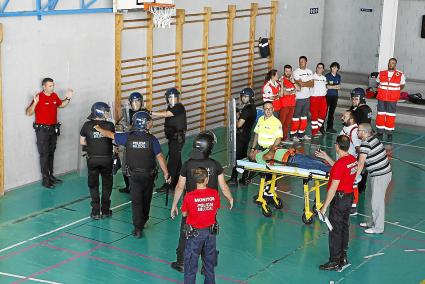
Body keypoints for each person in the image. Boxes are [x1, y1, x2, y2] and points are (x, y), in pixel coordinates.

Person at [95, 111, 170, 238]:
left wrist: (98, 128)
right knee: (146, 199)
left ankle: (137, 228)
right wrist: (166, 173)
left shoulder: (127, 137)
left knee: (136, 201)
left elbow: (110, 135)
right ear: (144, 124)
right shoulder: (152, 139)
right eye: (149, 122)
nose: (151, 123)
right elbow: (160, 156)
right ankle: (144, 220)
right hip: (149, 176)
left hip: (133, 176)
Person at [170, 131, 234, 273]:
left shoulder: (187, 164)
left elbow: (180, 186)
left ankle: (182, 262)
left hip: (191, 208)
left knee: (185, 233)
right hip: (209, 206)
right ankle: (207, 266)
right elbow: (223, 186)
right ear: (209, 147)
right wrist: (229, 198)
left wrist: (174, 205)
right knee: (209, 235)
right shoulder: (215, 165)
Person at [315, 135, 357, 271]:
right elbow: (340, 170)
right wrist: (327, 157)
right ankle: (343, 256)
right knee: (344, 227)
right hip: (349, 197)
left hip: (339, 199)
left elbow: (333, 188)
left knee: (334, 230)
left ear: (337, 146)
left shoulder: (340, 164)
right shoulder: (352, 160)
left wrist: (324, 207)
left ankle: (334, 260)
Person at [25, 77, 74, 189]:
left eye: (53, 85)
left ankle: (51, 176)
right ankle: (45, 180)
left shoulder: (54, 96)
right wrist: (35, 103)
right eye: (50, 86)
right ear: (44, 86)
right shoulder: (39, 97)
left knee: (51, 153)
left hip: (53, 130)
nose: (52, 87)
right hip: (42, 131)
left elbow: (61, 104)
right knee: (44, 154)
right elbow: (28, 113)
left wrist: (68, 98)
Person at [181, 167, 221, 284]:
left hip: (194, 235)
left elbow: (184, 213)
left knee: (190, 267)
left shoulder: (189, 196)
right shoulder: (214, 193)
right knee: (209, 266)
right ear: (206, 179)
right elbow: (216, 209)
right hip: (210, 234)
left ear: (195, 180)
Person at [80, 102, 115, 220]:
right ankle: (105, 211)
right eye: (105, 111)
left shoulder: (86, 125)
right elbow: (113, 140)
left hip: (92, 159)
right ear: (100, 112)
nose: (107, 113)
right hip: (107, 159)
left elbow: (82, 142)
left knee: (93, 185)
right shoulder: (110, 125)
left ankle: (95, 212)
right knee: (107, 185)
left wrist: (91, 142)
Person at [356, 123, 392, 234]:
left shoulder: (366, 144)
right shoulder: (373, 140)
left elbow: (361, 164)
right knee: (375, 199)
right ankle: (372, 222)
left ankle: (378, 228)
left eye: (359, 130)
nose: (357, 132)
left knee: (377, 201)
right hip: (380, 174)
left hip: (380, 175)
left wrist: (354, 177)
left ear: (365, 132)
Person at [151, 88, 187, 193]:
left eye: (174, 97)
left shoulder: (179, 107)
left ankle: (168, 185)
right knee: (177, 162)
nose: (172, 99)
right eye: (170, 97)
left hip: (177, 139)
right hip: (173, 139)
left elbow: (167, 114)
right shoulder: (172, 107)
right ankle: (179, 182)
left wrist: (151, 112)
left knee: (172, 163)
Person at [117, 92, 149, 194]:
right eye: (133, 101)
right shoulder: (127, 112)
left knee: (141, 165)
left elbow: (148, 127)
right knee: (125, 165)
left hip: (142, 142)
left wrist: (132, 128)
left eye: (137, 101)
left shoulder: (145, 113)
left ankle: (143, 185)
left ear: (141, 102)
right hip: (129, 141)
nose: (135, 104)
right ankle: (128, 187)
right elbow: (121, 125)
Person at [249, 101, 283, 196]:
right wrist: (253, 148)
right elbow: (256, 134)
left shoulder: (276, 122)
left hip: (269, 150)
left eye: (270, 109)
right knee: (263, 171)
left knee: (270, 171)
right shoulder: (260, 119)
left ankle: (271, 192)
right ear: (263, 110)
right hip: (260, 148)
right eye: (266, 109)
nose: (268, 110)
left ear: (273, 109)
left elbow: (278, 138)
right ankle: (264, 191)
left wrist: (271, 150)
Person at [227, 88, 257, 186]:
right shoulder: (252, 107)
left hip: (241, 136)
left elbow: (239, 124)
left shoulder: (247, 109)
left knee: (237, 158)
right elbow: (245, 118)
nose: (243, 98)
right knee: (243, 157)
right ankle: (244, 179)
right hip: (247, 135)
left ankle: (233, 179)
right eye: (243, 96)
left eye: (245, 97)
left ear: (250, 98)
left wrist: (235, 117)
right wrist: (239, 113)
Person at [375, 58, 406, 141]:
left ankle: (389, 133)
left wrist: (394, 91)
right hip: (381, 97)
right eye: (390, 63)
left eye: (393, 63)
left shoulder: (400, 74)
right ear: (388, 63)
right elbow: (377, 82)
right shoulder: (381, 73)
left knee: (390, 116)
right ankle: (380, 132)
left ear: (395, 64)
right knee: (380, 115)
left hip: (392, 99)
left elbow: (402, 85)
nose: (391, 64)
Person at [350, 88, 372, 195]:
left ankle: (356, 185)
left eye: (355, 98)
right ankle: (362, 186)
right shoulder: (368, 109)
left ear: (361, 99)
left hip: (359, 140)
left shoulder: (358, 110)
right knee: (364, 164)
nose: (353, 100)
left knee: (358, 163)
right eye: (352, 98)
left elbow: (352, 123)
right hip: (366, 138)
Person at [340, 110, 361, 216]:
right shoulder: (345, 128)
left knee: (353, 184)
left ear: (351, 120)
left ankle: (353, 206)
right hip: (343, 162)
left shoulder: (354, 131)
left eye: (345, 116)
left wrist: (359, 164)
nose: (342, 117)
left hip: (351, 163)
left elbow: (358, 149)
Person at [253, 146, 331, 173]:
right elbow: (268, 157)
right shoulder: (258, 157)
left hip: (293, 156)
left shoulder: (261, 154)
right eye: (252, 152)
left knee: (319, 162)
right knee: (318, 165)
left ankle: (337, 168)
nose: (254, 150)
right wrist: (273, 148)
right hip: (292, 160)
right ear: (253, 157)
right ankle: (338, 171)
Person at [291, 56, 314, 141]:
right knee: (296, 117)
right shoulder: (296, 72)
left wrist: (304, 83)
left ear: (306, 62)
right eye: (300, 61)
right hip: (298, 99)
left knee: (304, 117)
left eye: (303, 61)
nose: (301, 62)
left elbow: (312, 84)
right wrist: (306, 82)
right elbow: (300, 84)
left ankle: (301, 134)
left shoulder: (309, 71)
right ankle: (293, 135)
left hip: (307, 98)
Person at [279, 65, 297, 141]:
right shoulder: (281, 80)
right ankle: (278, 139)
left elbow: (298, 88)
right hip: (284, 105)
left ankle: (284, 138)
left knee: (288, 123)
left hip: (292, 104)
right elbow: (285, 93)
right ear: (284, 71)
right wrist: (293, 91)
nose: (288, 73)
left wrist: (294, 82)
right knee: (281, 123)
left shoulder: (292, 79)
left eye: (289, 71)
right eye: (286, 71)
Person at [310, 63, 328, 137]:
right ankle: (314, 132)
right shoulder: (312, 77)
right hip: (314, 98)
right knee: (314, 115)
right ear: (316, 68)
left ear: (323, 69)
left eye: (321, 68)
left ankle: (317, 129)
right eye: (318, 67)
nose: (320, 69)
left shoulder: (324, 78)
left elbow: (325, 87)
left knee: (323, 114)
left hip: (322, 98)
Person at [324, 62, 342, 134]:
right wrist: (335, 86)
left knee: (332, 113)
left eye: (336, 67)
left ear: (338, 69)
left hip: (335, 96)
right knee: (324, 113)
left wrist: (332, 86)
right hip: (327, 96)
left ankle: (329, 128)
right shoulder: (327, 76)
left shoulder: (338, 76)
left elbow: (339, 87)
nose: (334, 69)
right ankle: (321, 127)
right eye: (333, 67)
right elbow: (327, 86)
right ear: (331, 68)